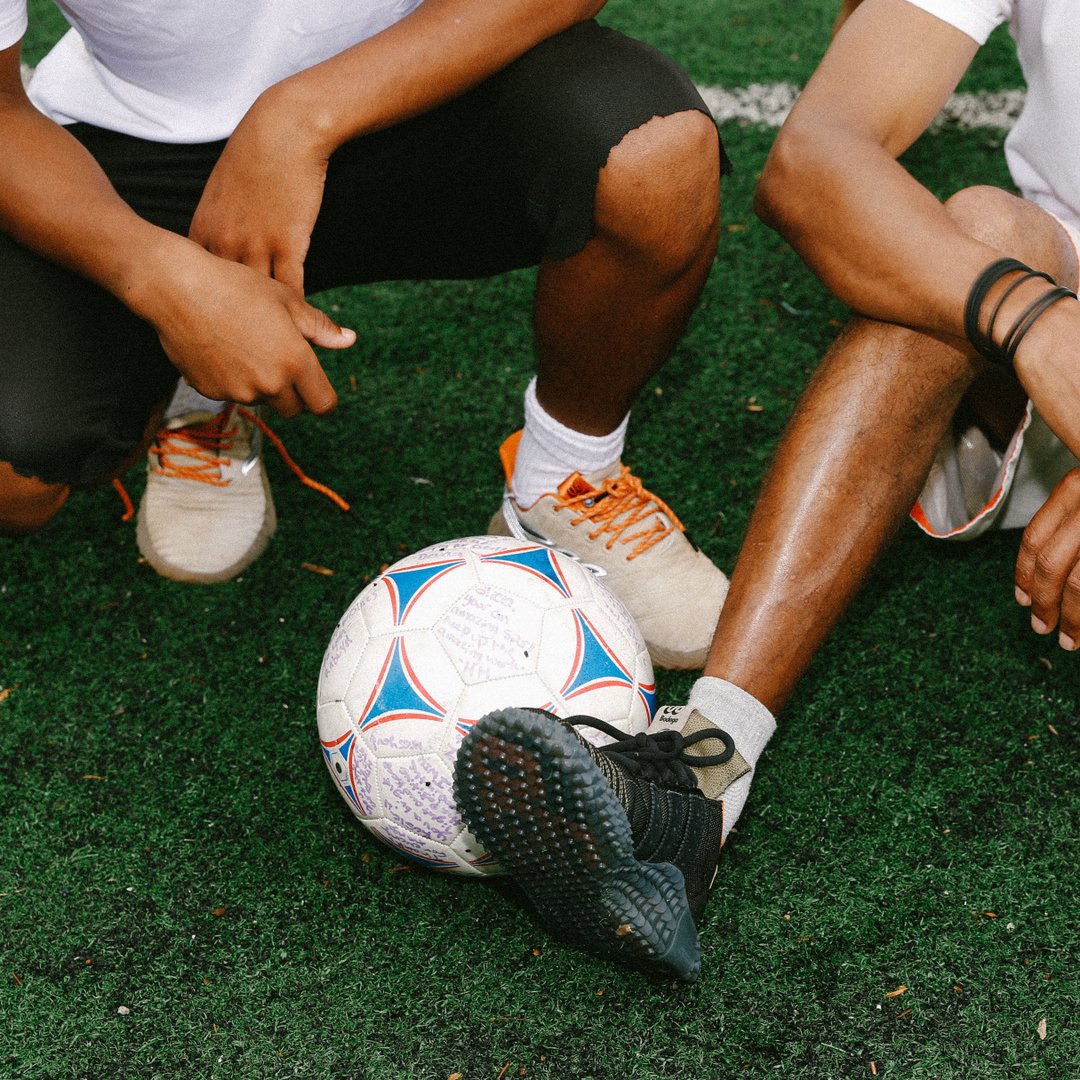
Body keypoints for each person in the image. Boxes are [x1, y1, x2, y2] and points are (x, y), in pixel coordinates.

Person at [455, 0, 1080, 982]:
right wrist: (1036, 326)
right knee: (980, 234)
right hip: (1049, 349)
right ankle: (699, 777)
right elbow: (817, 158)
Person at [0, 0, 730, 671]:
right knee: (14, 473)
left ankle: (567, 476)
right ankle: (203, 395)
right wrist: (162, 277)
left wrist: (301, 114)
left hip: (431, 81)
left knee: (651, 160)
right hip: (141, 134)